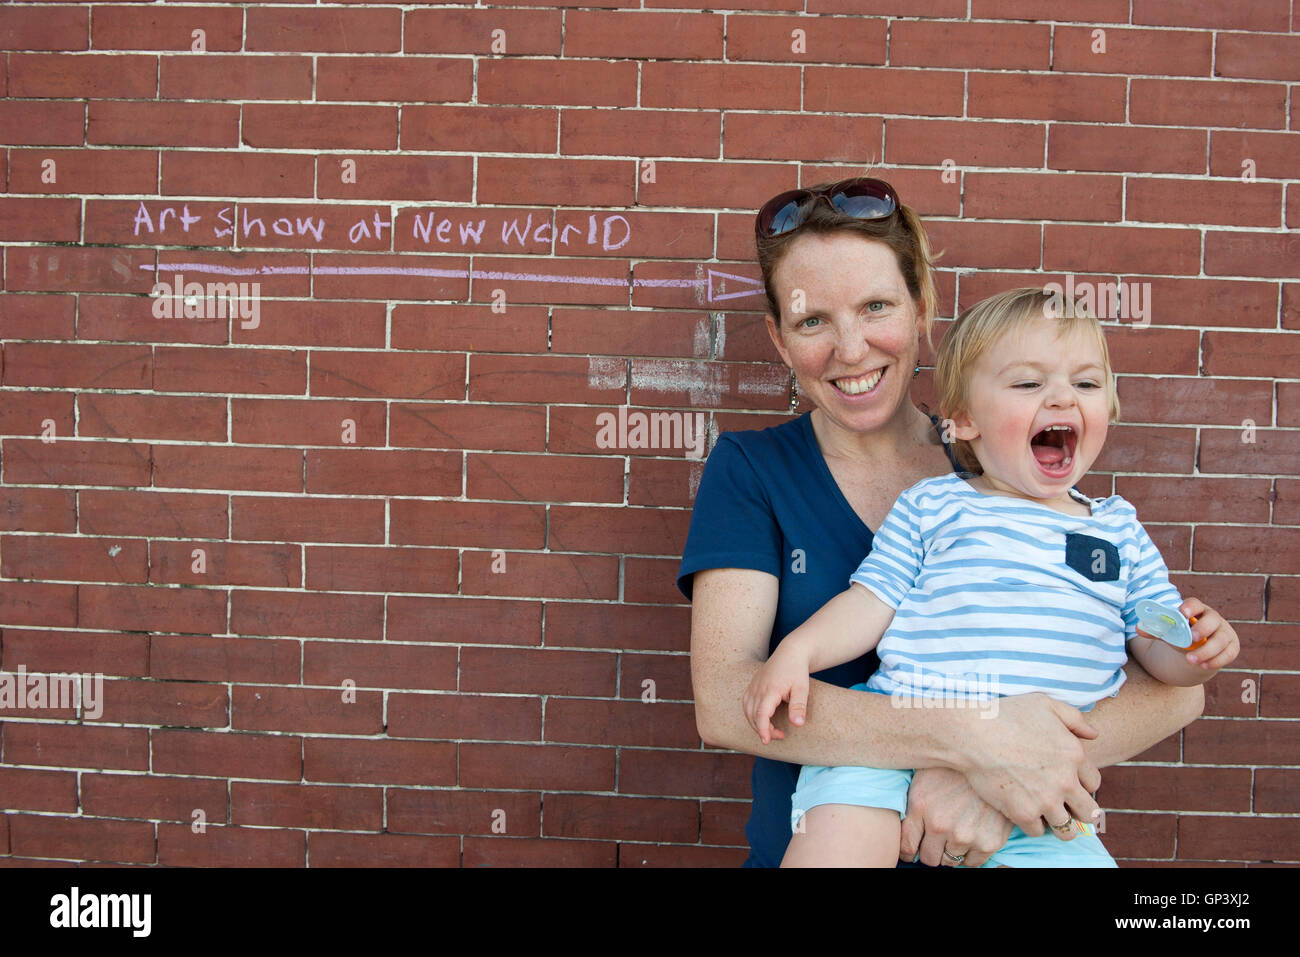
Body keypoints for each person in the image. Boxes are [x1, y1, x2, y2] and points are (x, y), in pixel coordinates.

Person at [678, 175, 1208, 868]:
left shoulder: (1012, 462)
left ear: (922, 305)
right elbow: (726, 703)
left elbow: (1174, 696)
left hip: (1018, 838)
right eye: (813, 320)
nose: (850, 347)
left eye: (876, 306)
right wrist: (975, 741)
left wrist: (995, 781)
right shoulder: (752, 470)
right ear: (780, 339)